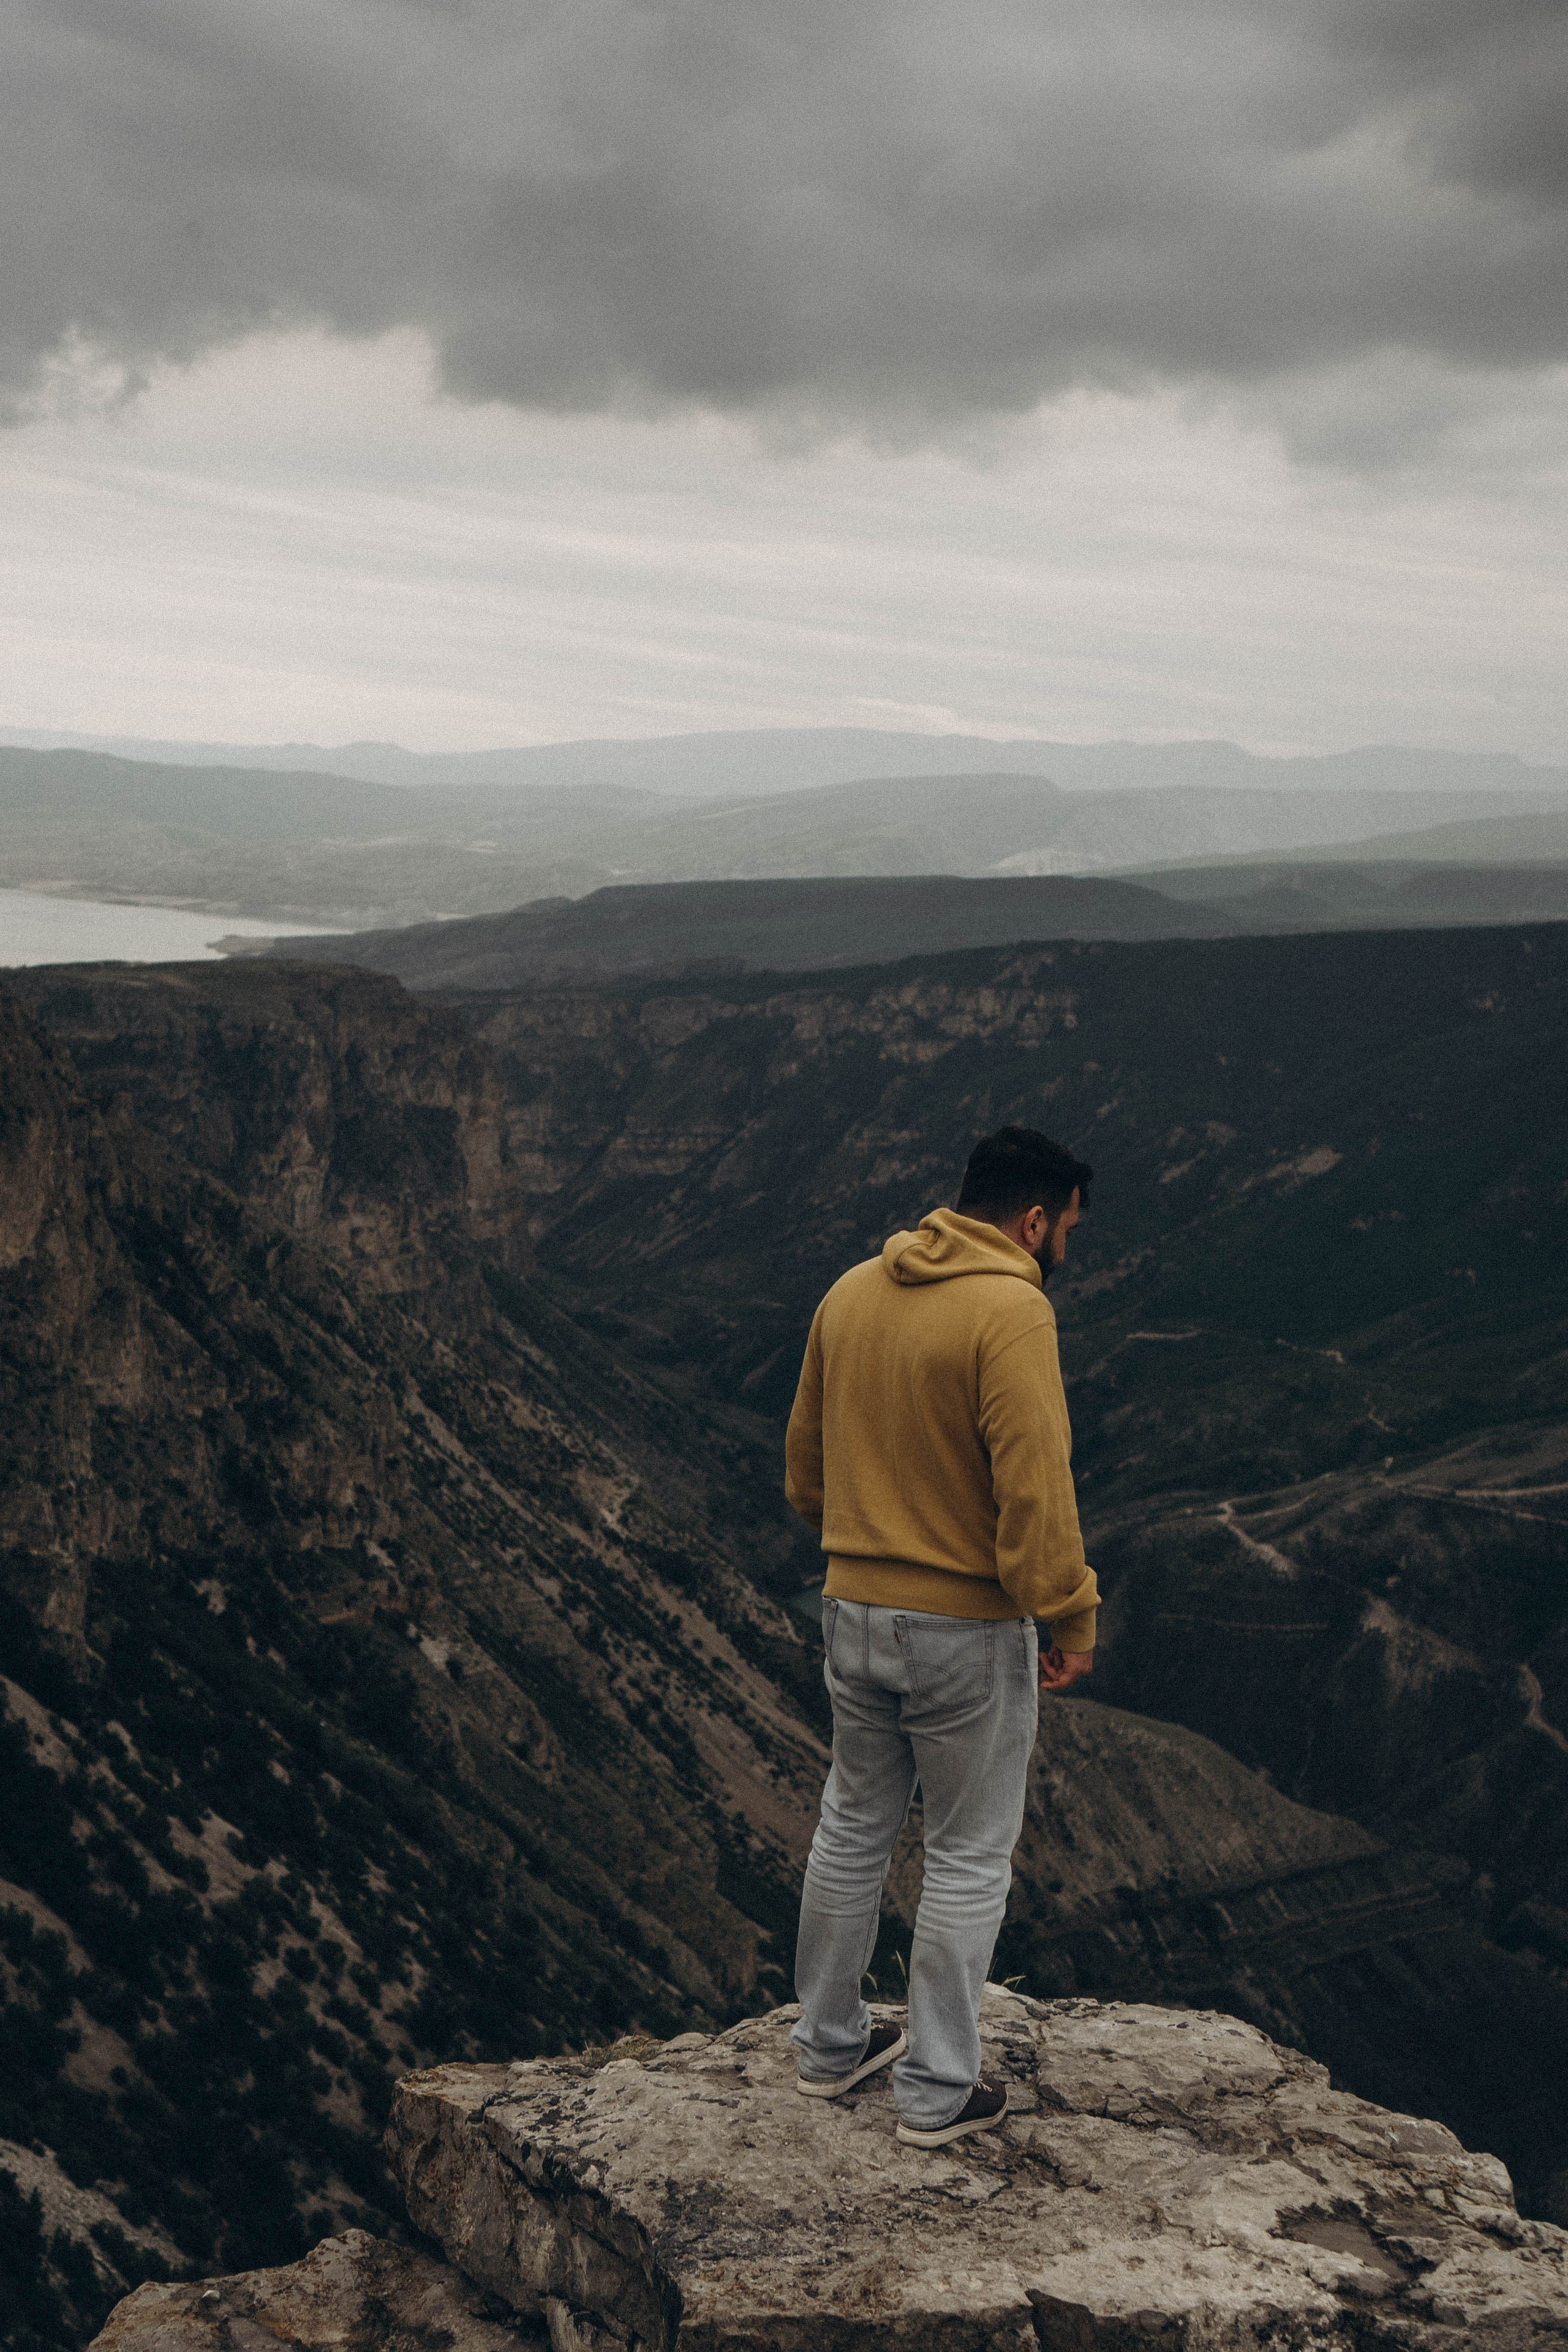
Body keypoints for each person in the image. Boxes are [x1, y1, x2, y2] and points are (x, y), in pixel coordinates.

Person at [783, 1123, 1097, 2148]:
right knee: (967, 1854)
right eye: (1068, 1231)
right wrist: (1070, 1613)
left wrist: (873, 1537)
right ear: (1035, 1218)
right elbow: (1036, 1490)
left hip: (849, 1606)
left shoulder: (850, 1291)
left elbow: (803, 1477)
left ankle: (828, 2049)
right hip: (966, 1627)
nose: (1068, 1253)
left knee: (852, 1824)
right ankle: (935, 2091)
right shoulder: (1013, 1310)